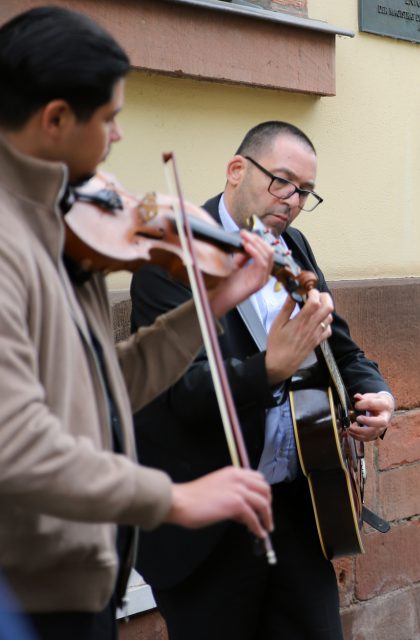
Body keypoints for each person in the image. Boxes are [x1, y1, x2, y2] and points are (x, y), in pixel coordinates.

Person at [0, 7, 277, 639]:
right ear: (56, 120)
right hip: (22, 588)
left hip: (76, 575)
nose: (119, 137)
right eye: (110, 118)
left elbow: (105, 387)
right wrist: (173, 498)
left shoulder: (65, 226)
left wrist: (212, 304)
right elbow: (14, 443)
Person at [129, 121, 395, 639]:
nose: (293, 200)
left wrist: (377, 392)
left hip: (300, 506)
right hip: (211, 522)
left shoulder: (294, 245)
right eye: (282, 182)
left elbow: (339, 343)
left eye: (305, 192)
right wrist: (268, 367)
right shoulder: (169, 258)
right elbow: (180, 391)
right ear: (236, 170)